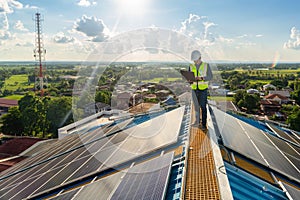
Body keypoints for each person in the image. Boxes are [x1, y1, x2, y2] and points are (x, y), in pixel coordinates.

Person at [188, 50, 213, 130]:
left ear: (200, 57)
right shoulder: (191, 66)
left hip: (203, 90)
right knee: (196, 106)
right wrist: (190, 80)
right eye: (194, 60)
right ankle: (197, 121)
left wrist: (201, 78)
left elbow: (210, 77)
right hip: (194, 89)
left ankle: (203, 124)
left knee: (203, 107)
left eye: (196, 59)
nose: (195, 61)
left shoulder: (206, 65)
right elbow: (189, 77)